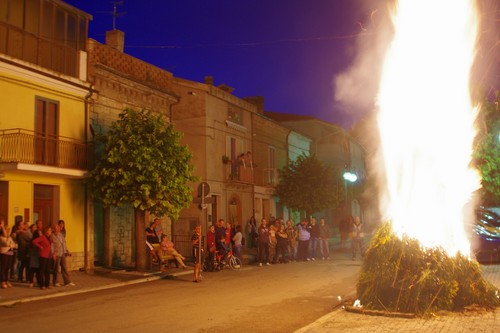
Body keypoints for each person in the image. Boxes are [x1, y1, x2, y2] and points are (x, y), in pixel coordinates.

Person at [51, 221, 75, 287]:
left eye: (57, 227)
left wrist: (67, 250)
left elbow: (64, 243)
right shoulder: (52, 236)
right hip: (57, 253)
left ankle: (67, 281)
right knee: (56, 268)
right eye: (55, 228)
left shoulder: (61, 235)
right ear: (53, 229)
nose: (56, 229)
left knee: (64, 267)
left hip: (63, 253)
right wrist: (53, 253)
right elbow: (52, 245)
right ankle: (55, 282)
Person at [0, 221, 16, 288]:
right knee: (3, 268)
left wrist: (11, 245)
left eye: (8, 229)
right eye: (6, 229)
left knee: (8, 268)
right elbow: (6, 244)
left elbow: (14, 245)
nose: (8, 230)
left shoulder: (9, 237)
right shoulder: (1, 237)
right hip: (4, 253)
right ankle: (2, 281)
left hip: (10, 253)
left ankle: (7, 280)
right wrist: (10, 245)